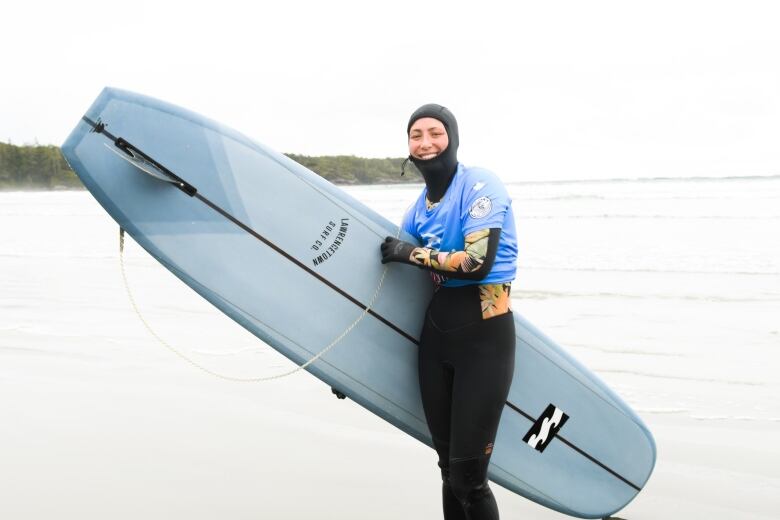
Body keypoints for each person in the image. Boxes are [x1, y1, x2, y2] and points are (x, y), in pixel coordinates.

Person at [380, 104, 518, 520]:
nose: (425, 143)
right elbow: (395, 292)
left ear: (453, 138)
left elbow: (480, 262)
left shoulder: (479, 185)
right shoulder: (416, 210)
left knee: (469, 480)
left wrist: (410, 252)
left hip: (484, 334)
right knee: (447, 472)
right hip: (436, 337)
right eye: (416, 135)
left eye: (435, 133)